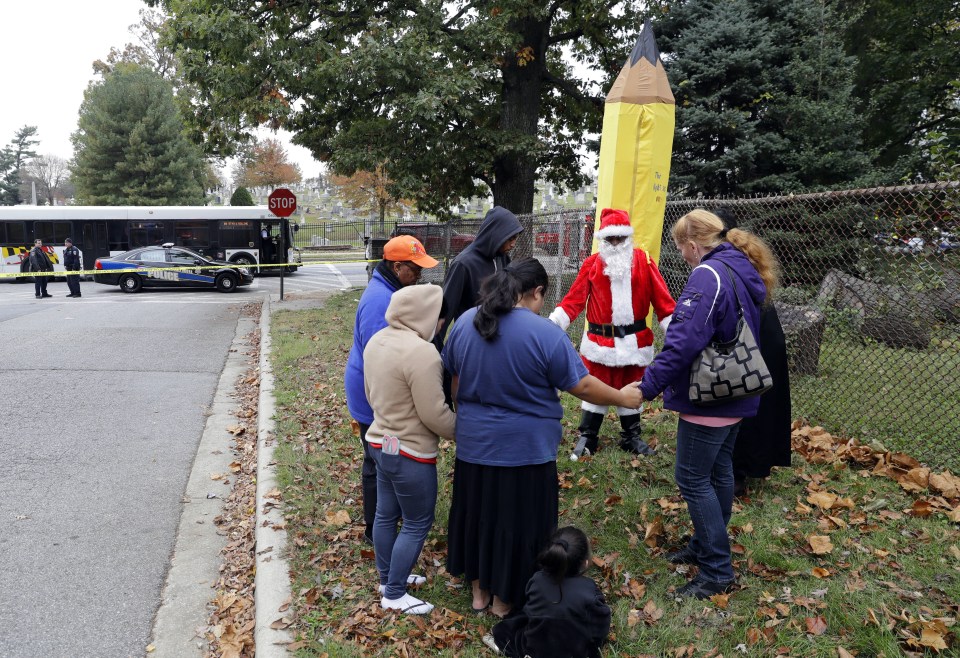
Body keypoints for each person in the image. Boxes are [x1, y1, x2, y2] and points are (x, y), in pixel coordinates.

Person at [441, 258, 642, 617]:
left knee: (477, 515)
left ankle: (479, 593)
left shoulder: (464, 326)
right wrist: (622, 397)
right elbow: (580, 385)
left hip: (474, 446)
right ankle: (505, 600)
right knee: (519, 524)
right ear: (536, 293)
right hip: (526, 451)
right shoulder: (544, 333)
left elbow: (456, 387)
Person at [637, 209, 778, 599]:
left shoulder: (707, 275)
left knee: (692, 479)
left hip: (710, 396)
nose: (681, 255)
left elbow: (683, 341)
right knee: (718, 473)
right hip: (737, 392)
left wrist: (647, 385)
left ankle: (716, 570)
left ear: (693, 244)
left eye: (681, 248)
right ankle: (703, 546)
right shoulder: (740, 266)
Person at [548, 208, 676, 459]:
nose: (616, 244)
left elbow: (664, 304)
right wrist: (550, 327)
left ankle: (631, 437)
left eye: (620, 238)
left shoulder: (645, 262)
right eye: (610, 239)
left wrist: (677, 333)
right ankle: (588, 436)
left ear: (628, 238)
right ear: (602, 240)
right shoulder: (591, 265)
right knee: (597, 385)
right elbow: (573, 302)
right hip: (600, 343)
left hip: (634, 342)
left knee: (632, 384)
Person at [363, 284, 456, 615]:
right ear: (426, 316)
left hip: (379, 442)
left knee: (386, 514)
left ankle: (388, 578)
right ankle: (395, 593)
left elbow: (370, 392)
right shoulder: (422, 353)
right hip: (410, 452)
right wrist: (462, 431)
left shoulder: (378, 340)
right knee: (417, 521)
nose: (441, 326)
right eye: (439, 319)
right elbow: (434, 413)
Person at [344, 235, 439, 544]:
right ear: (398, 267)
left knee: (381, 458)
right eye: (416, 269)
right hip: (372, 395)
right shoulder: (380, 302)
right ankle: (377, 527)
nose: (420, 276)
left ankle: (384, 520)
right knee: (377, 461)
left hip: (373, 391)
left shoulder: (390, 292)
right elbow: (382, 361)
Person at [712, 208, 792, 496]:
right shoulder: (743, 255)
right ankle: (742, 465)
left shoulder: (724, 262)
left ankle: (737, 470)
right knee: (752, 399)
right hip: (762, 333)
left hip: (750, 337)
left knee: (739, 396)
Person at [484, 526, 611, 658]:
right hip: (574, 651)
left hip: (535, 648)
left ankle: (508, 646)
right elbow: (600, 626)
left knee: (517, 622)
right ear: (585, 563)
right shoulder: (589, 590)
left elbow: (530, 610)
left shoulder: (537, 580)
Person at [435, 205, 523, 342]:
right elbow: (446, 311)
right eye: (510, 239)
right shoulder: (463, 264)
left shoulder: (502, 257)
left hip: (498, 337)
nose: (513, 244)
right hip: (471, 338)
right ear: (496, 234)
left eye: (515, 239)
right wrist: (436, 348)